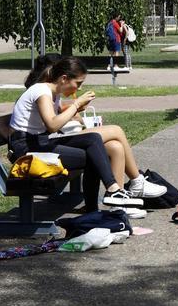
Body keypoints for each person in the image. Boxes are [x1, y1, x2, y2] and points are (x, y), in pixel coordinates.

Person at [8, 55, 166, 210]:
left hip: (39, 143)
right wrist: (76, 105)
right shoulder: (42, 91)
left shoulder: (52, 93)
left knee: (93, 139)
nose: (79, 87)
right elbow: (52, 125)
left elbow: (54, 122)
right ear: (64, 79)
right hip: (27, 150)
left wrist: (77, 109)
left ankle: (112, 193)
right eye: (78, 83)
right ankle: (108, 195)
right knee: (94, 154)